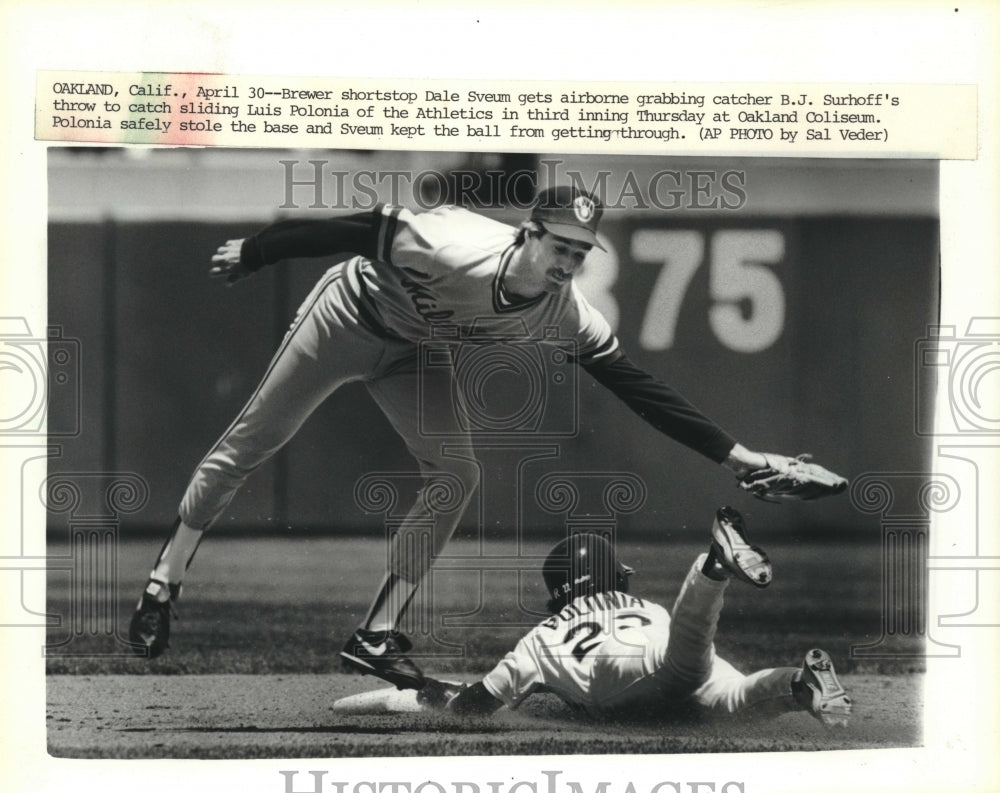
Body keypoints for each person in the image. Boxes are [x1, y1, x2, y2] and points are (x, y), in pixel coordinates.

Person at [128, 184, 800, 690]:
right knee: (250, 444)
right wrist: (256, 251)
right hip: (348, 314)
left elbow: (637, 386)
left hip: (415, 350)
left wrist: (734, 454)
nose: (568, 261)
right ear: (528, 235)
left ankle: (376, 633)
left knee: (458, 474)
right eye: (559, 244)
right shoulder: (454, 246)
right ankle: (164, 580)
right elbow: (357, 227)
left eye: (580, 251)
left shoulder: (567, 312)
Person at [421, 508, 852, 727]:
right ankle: (798, 683)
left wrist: (443, 697)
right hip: (667, 657)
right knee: (735, 692)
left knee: (697, 664)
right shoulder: (643, 606)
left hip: (629, 675)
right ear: (611, 575)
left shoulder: (542, 635)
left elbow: (477, 706)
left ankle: (715, 569)